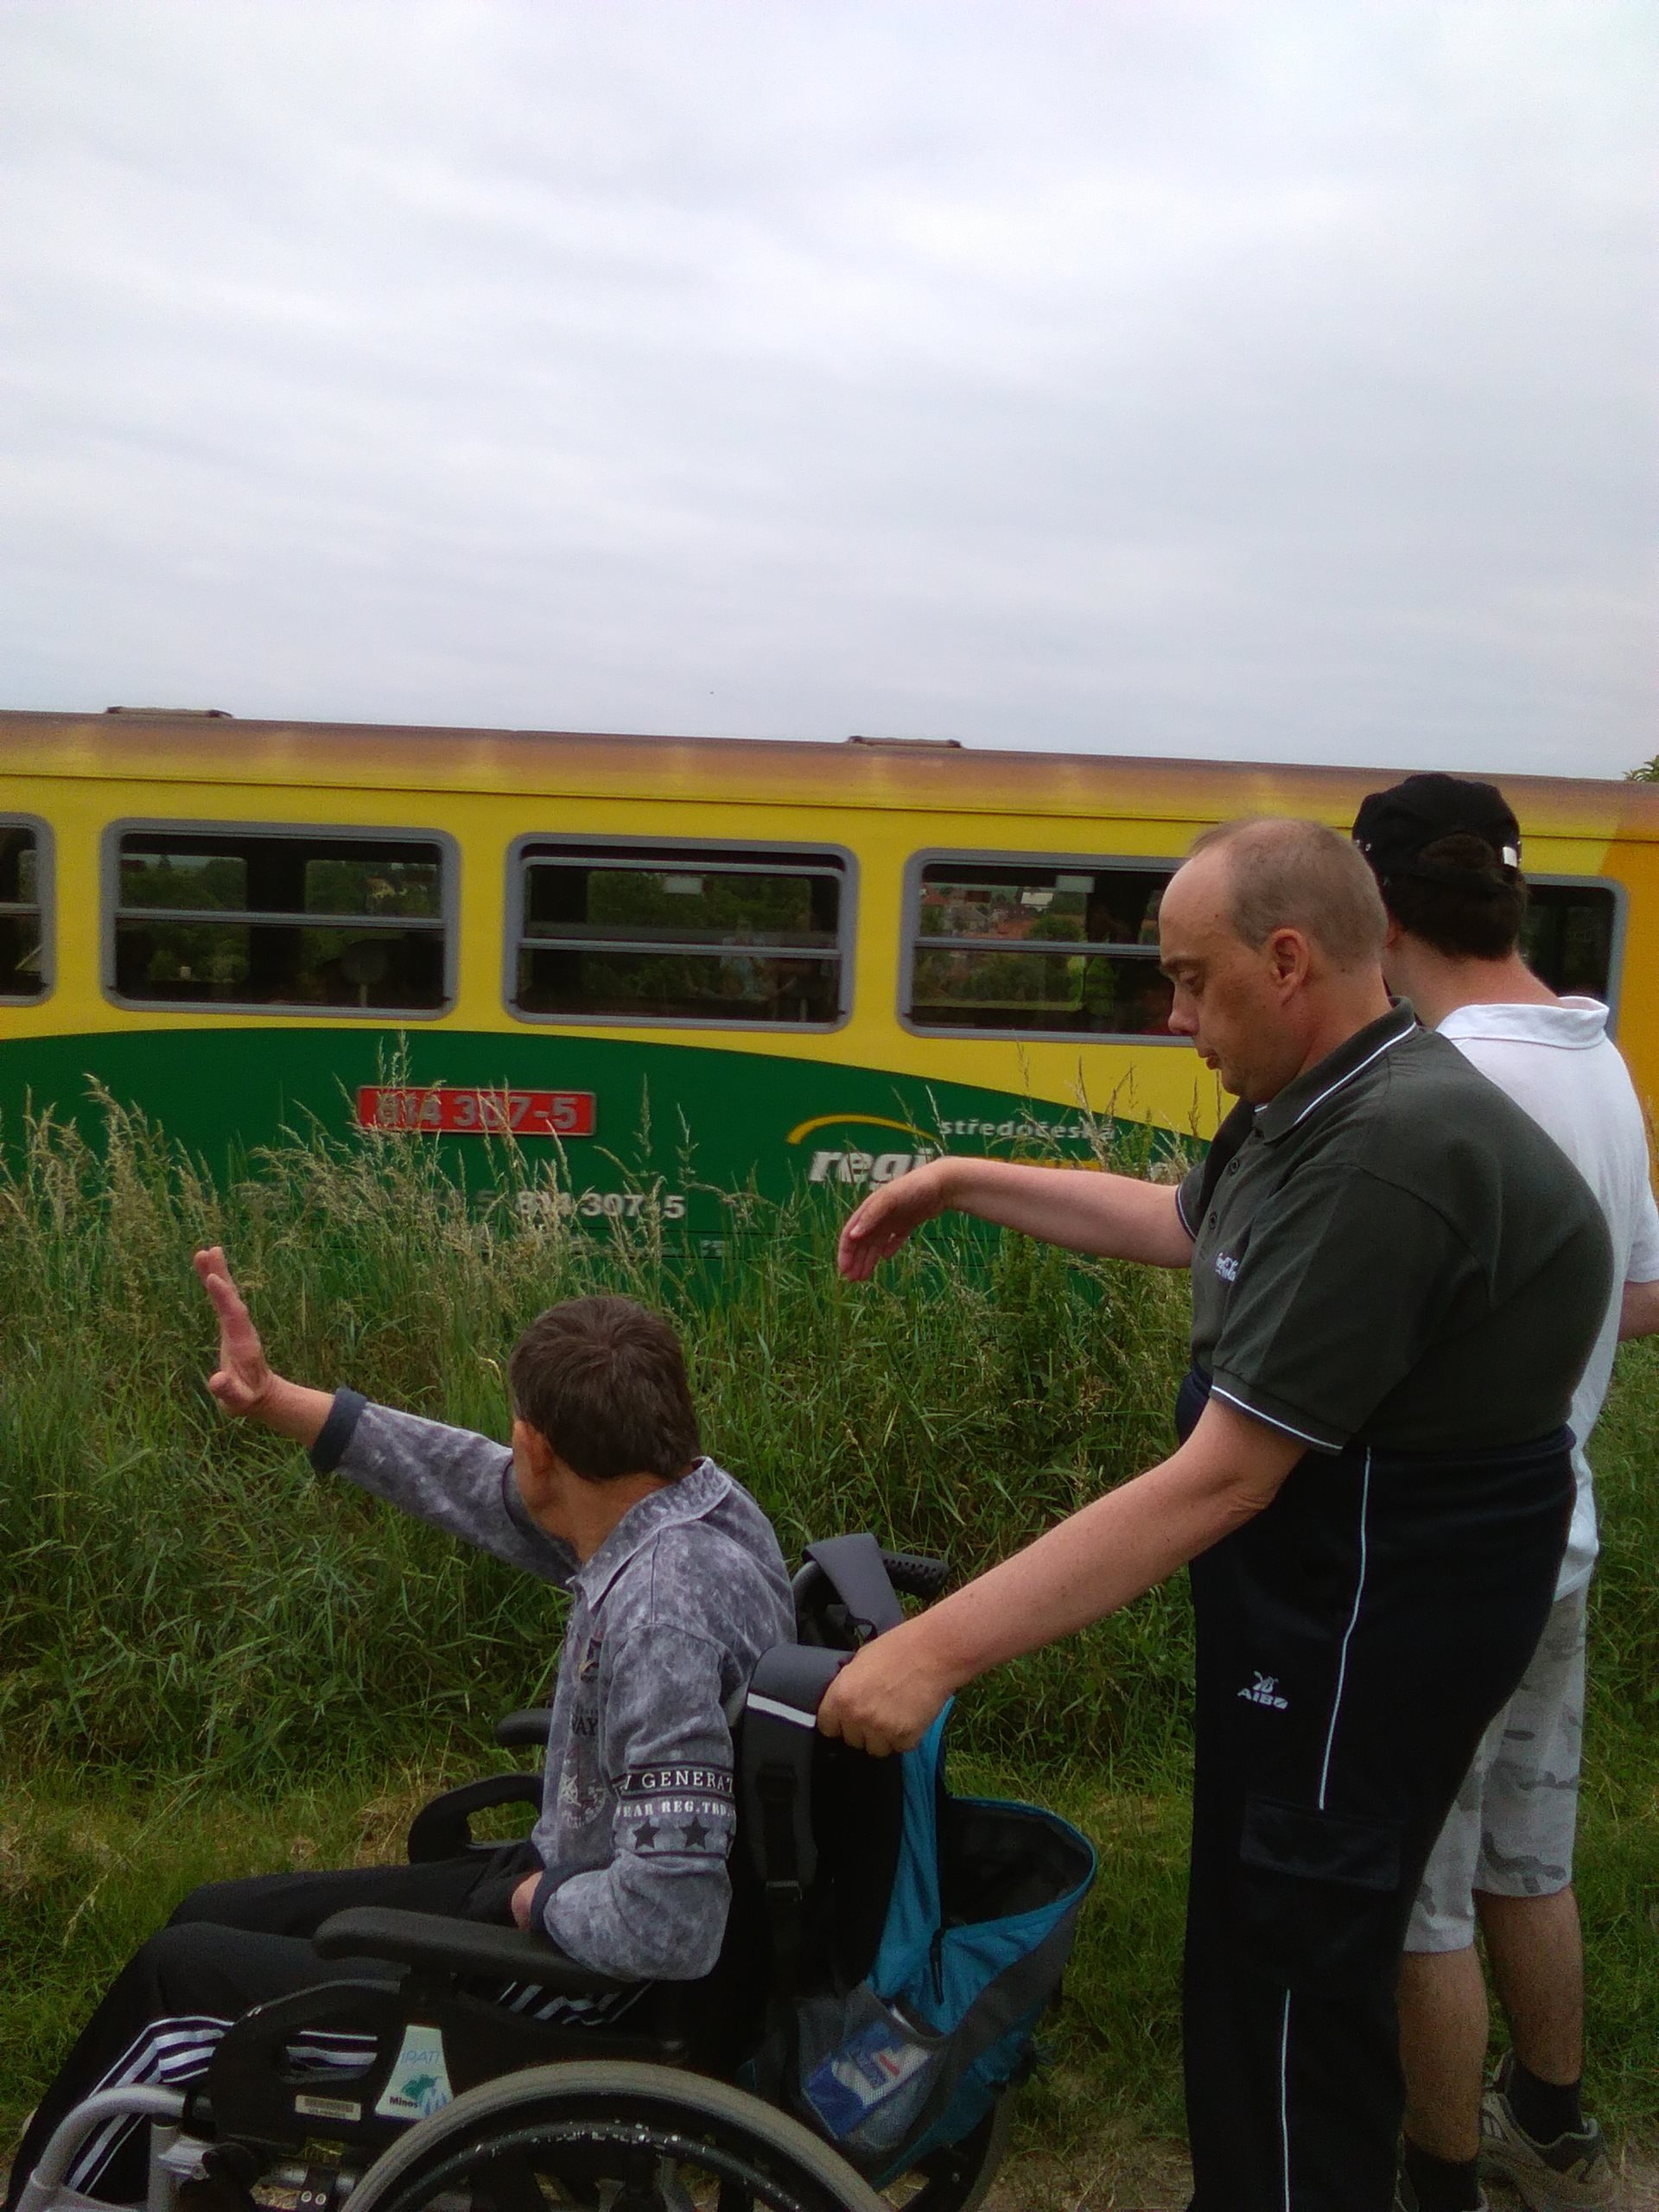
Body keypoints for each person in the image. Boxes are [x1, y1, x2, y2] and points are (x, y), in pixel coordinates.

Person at [818, 817, 1612, 2212]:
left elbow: (1224, 1478)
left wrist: (934, 1651)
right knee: (1255, 1943)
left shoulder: (1389, 1154)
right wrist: (957, 1182)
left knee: (1299, 1975)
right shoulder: (1316, 1100)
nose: (1174, 1017)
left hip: (1367, 1619)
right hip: (1308, 1609)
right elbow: (1181, 1224)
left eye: (1191, 980)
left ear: (1287, 960)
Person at [6, 1256, 793, 2210]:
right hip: (569, 1897)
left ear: (540, 1447)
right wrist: (277, 1400)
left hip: (581, 1980)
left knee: (175, 1982)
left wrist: (537, 1900)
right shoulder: (688, 1508)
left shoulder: (665, 1612)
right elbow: (469, 1483)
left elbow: (670, 1922)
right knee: (205, 1912)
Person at [1352, 773, 1659, 2212]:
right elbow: (1640, 1294)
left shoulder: (1445, 1082)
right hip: (1561, 1524)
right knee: (1529, 1855)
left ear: (1379, 905)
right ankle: (1551, 2122)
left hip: (1450, 1549)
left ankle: (1440, 2179)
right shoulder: (1594, 1055)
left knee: (1423, 1893)